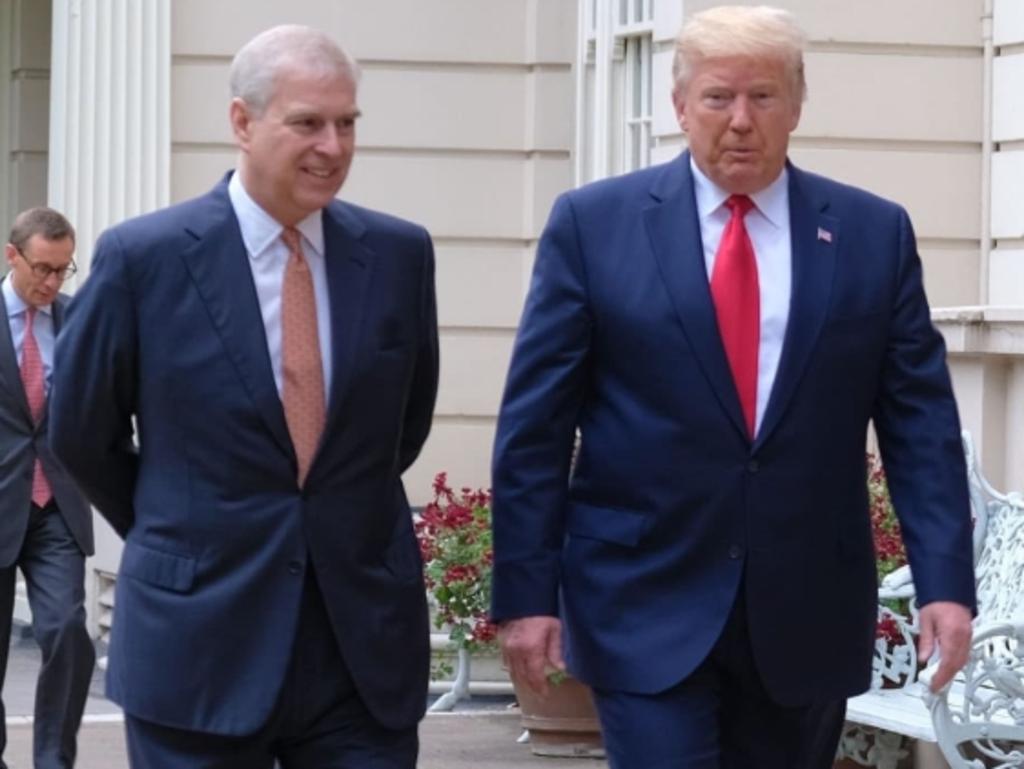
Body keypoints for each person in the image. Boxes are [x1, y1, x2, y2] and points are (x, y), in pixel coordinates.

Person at [490, 6, 975, 768]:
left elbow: (921, 427)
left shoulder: (870, 234)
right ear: (681, 106)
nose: (740, 121)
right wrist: (523, 596)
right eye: (718, 98)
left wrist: (946, 584)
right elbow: (536, 430)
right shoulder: (594, 226)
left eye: (763, 97)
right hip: (640, 600)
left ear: (796, 105)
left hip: (806, 610)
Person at [48, 24, 438, 769]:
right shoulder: (145, 258)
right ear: (242, 122)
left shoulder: (397, 255)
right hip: (197, 641)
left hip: (358, 648)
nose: (333, 145)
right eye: (307, 123)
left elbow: (402, 427)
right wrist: (179, 519)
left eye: (347, 123)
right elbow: (79, 431)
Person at [0, 207, 95, 769]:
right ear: (12, 256)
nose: (54, 282)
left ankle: (54, 762)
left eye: (64, 269)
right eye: (43, 268)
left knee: (65, 630)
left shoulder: (77, 318)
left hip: (56, 502)